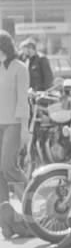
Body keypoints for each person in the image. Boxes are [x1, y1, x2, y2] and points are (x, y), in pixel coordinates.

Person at [0, 31, 30, 206]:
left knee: (8, 167)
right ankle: (5, 214)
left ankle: (33, 204)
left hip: (14, 124)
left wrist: (25, 128)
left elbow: (22, 100)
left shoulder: (20, 68)